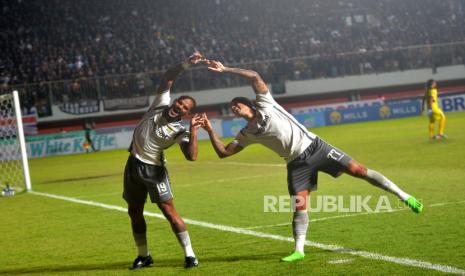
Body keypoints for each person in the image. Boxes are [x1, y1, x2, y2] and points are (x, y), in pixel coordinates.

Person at [200, 60, 423, 262]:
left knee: (359, 170)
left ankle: (405, 196)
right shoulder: (247, 133)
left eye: (236, 105)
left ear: (248, 104)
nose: (234, 108)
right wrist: (210, 130)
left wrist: (225, 69)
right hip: (296, 164)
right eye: (232, 109)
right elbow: (224, 152)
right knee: (300, 205)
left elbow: (254, 76)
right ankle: (299, 250)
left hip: (316, 147)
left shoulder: (267, 103)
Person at [123, 52, 205, 270]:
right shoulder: (160, 104)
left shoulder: (179, 130)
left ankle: (190, 255)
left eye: (185, 107)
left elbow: (192, 156)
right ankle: (144, 256)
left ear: (187, 113)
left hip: (154, 171)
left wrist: (194, 131)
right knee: (134, 212)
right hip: (132, 166)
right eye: (180, 102)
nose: (179, 106)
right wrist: (187, 64)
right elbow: (168, 77)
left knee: (169, 212)